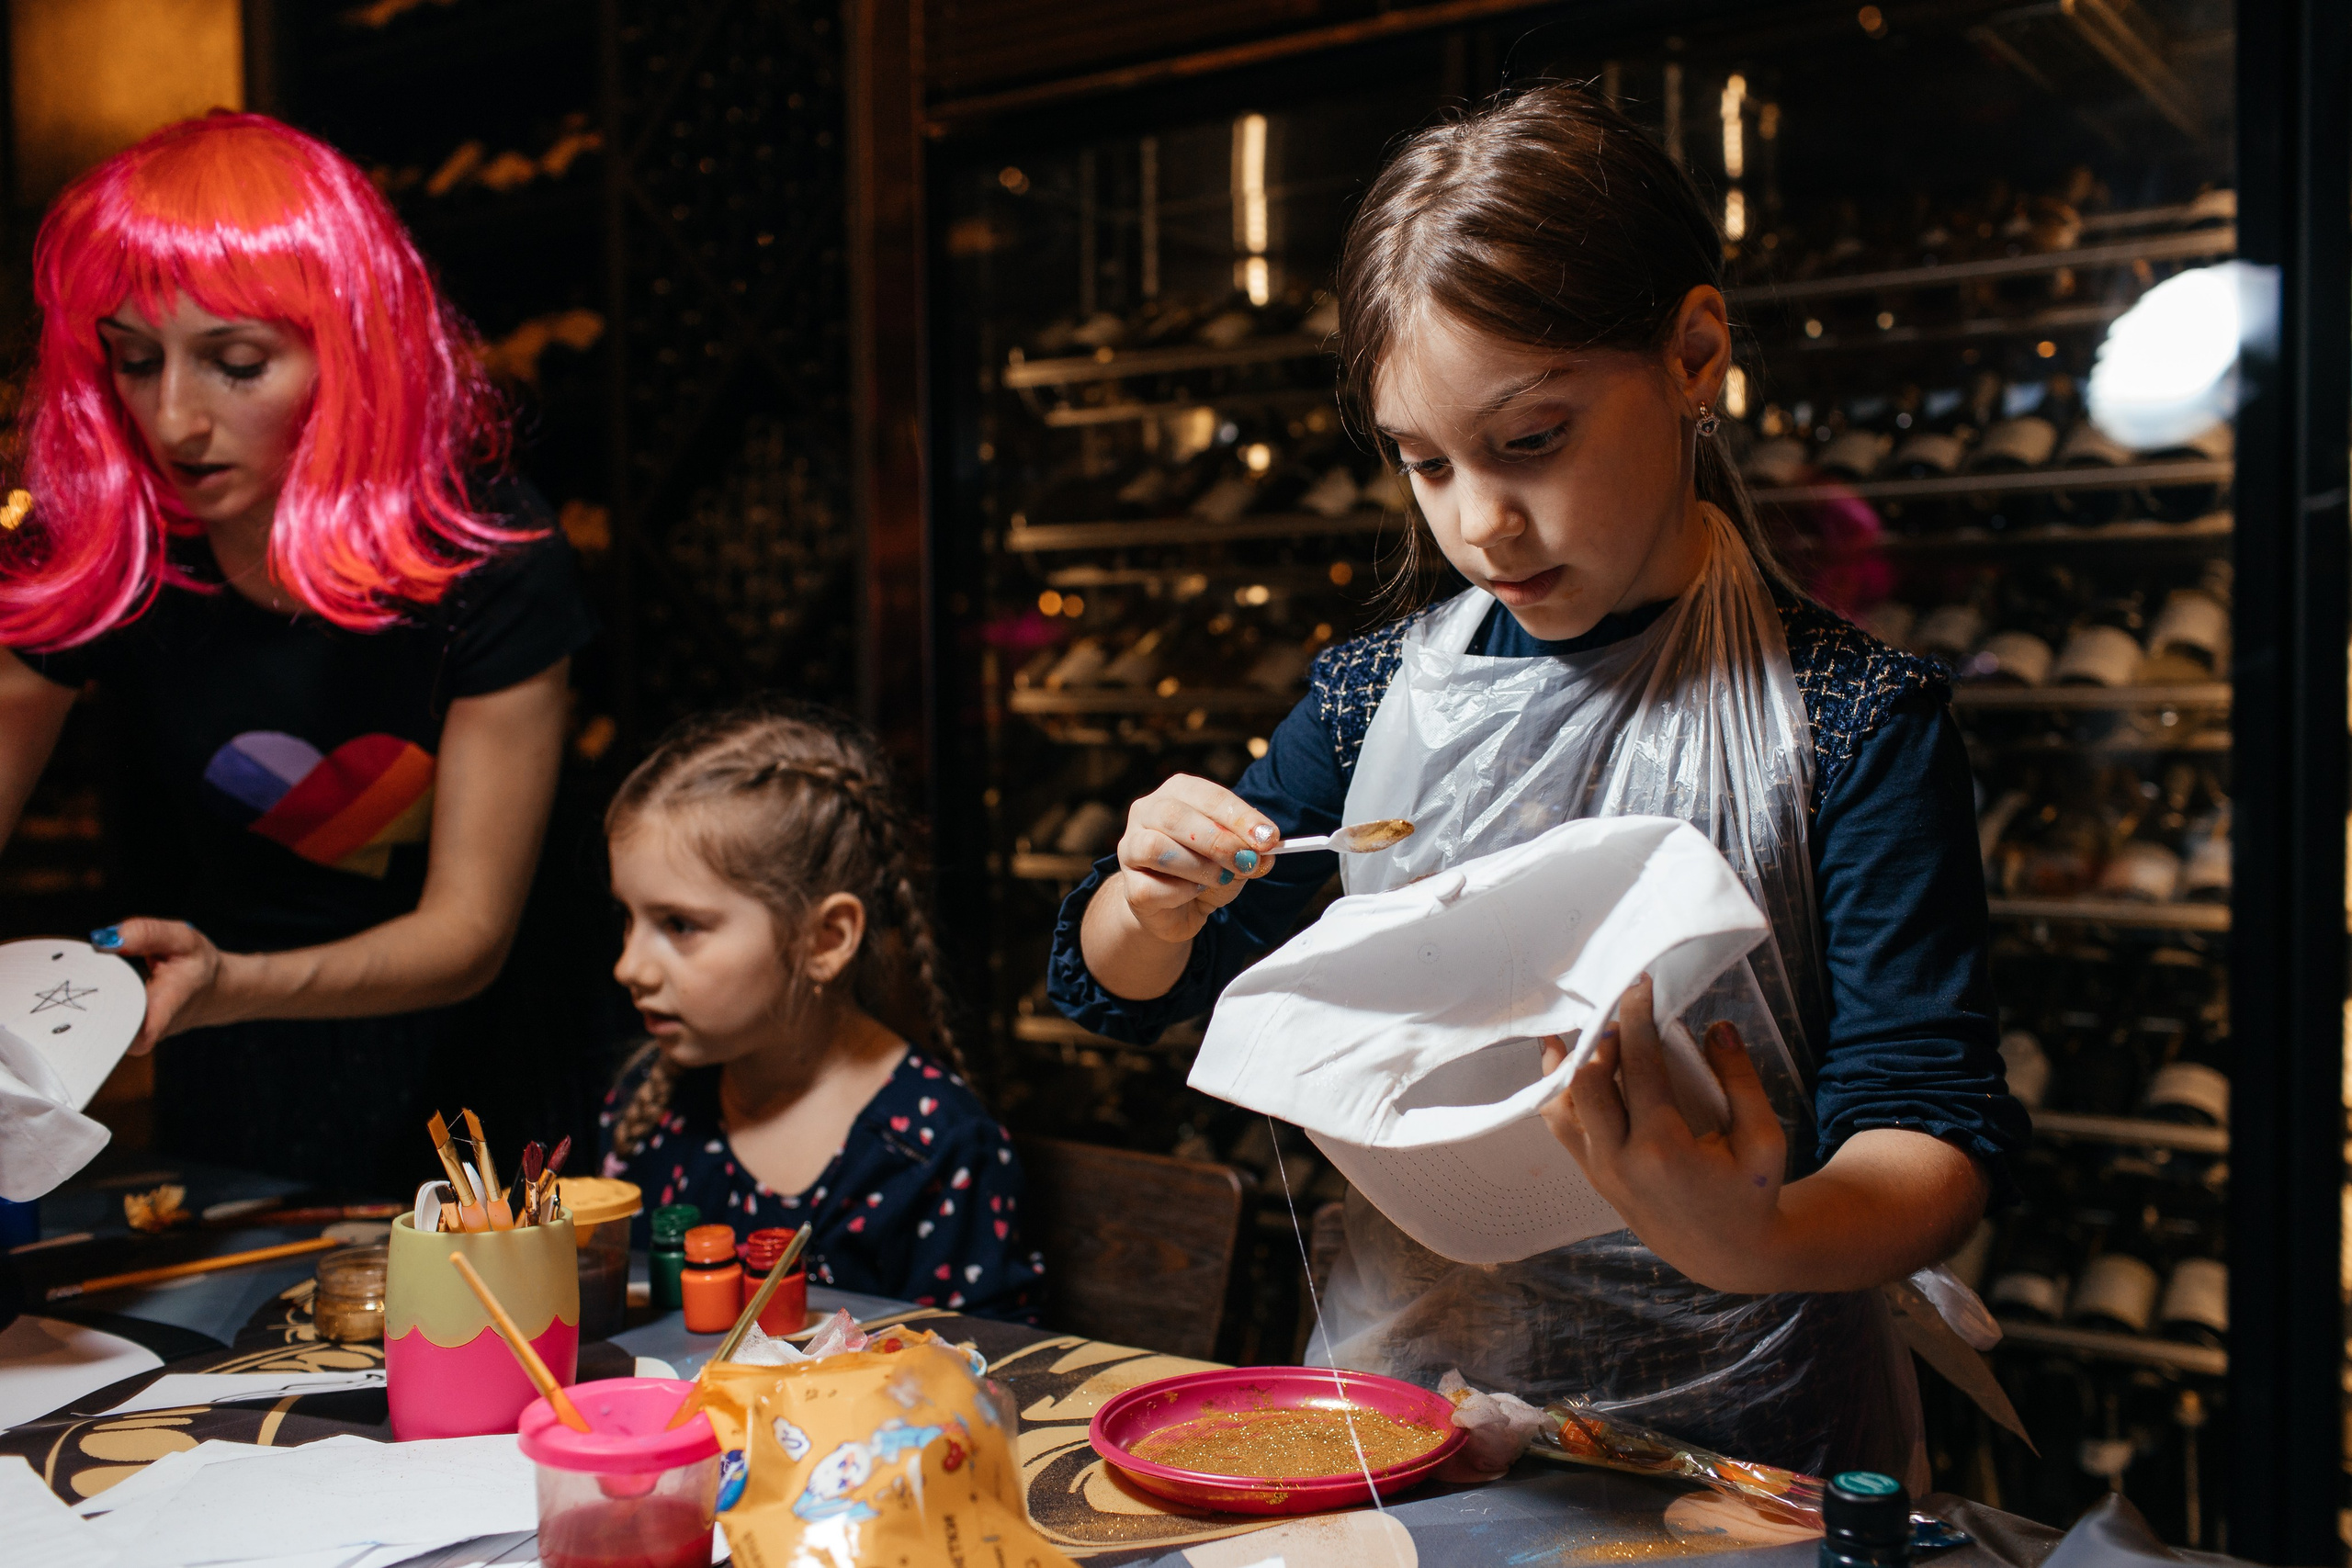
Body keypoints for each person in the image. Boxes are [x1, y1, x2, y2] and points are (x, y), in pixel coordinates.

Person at [1047, 84, 2027, 1482]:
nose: (1478, 523)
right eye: (1425, 463)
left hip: (1748, 1460)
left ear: (1694, 355)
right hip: (1407, 1427)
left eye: (1530, 442)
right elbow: (1122, 984)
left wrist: (1757, 1234)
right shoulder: (1378, 696)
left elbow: (1932, 1125)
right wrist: (1149, 899)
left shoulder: (1853, 717)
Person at [0, 115, 596, 1191]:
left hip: (479, 1078)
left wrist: (234, 982)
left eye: (234, 364)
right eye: (134, 362)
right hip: (226, 1068)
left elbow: (467, 933)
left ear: (349, 357)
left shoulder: (490, 554)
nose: (174, 420)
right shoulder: (110, 544)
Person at [599, 699, 1043, 1323]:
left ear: (826, 939)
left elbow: (982, 1379)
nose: (629, 966)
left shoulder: (932, 1151)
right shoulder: (649, 1106)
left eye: (679, 924)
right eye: (629, 917)